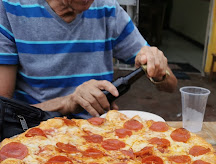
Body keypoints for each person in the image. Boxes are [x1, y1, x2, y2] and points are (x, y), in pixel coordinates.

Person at [0, 0, 177, 118]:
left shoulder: (107, 8)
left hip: (99, 134)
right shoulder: (10, 9)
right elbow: (4, 112)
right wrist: (67, 103)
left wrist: (159, 71)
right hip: (38, 133)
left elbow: (171, 85)